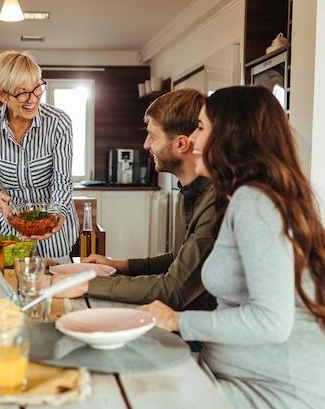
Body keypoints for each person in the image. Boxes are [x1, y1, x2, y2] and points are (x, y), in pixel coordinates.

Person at [141, 86, 325, 408]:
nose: (194, 140)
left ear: (231, 136)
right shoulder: (251, 198)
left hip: (286, 394)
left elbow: (270, 321)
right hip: (251, 380)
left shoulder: (255, 202)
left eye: (201, 128)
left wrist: (176, 320)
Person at [54, 88, 216, 311]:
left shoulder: (215, 202)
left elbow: (174, 289)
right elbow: (179, 259)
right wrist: (118, 265)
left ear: (181, 144)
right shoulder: (186, 191)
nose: (145, 145)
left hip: (198, 331)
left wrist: (84, 283)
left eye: (152, 136)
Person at [0, 50, 79, 260]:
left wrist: (56, 214)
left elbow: (62, 182)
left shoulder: (59, 123)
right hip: (12, 229)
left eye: (37, 88)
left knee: (55, 285)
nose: (33, 99)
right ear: (2, 95)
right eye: (22, 93)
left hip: (54, 229)